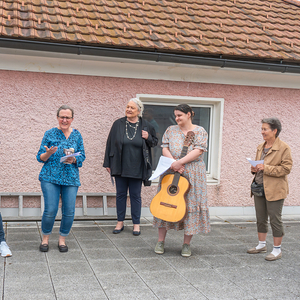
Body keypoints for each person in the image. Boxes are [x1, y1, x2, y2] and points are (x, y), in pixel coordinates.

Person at [153, 104, 210, 257]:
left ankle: (186, 244)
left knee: (190, 204)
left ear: (189, 115)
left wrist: (180, 162)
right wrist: (174, 163)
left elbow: (198, 151)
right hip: (172, 171)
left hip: (193, 173)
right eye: (175, 115)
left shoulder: (200, 131)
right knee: (165, 203)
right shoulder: (170, 130)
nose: (177, 118)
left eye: (180, 115)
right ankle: (160, 241)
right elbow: (164, 147)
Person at [103, 98, 158, 236]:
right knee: (120, 195)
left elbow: (155, 142)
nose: (128, 109)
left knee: (135, 196)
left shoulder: (146, 125)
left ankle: (136, 224)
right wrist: (108, 163)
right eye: (127, 107)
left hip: (138, 167)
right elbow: (109, 143)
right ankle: (120, 222)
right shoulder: (118, 124)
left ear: (139, 111)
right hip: (120, 165)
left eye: (132, 108)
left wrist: (148, 137)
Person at [37, 105, 85, 252]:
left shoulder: (77, 135)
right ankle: (45, 239)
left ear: (72, 119)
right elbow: (40, 157)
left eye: (67, 117)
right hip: (50, 177)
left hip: (70, 178)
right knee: (50, 209)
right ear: (57, 117)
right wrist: (49, 153)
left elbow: (82, 156)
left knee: (69, 211)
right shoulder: (49, 133)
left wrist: (74, 160)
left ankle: (62, 239)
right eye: (62, 117)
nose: (64, 120)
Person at [248, 117, 292, 261]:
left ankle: (277, 250)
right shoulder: (261, 146)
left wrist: (266, 168)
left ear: (274, 130)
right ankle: (261, 245)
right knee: (260, 218)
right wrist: (254, 169)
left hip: (275, 189)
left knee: (275, 219)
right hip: (259, 187)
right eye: (261, 129)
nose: (262, 132)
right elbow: (258, 166)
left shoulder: (284, 147)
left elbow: (286, 169)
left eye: (265, 129)